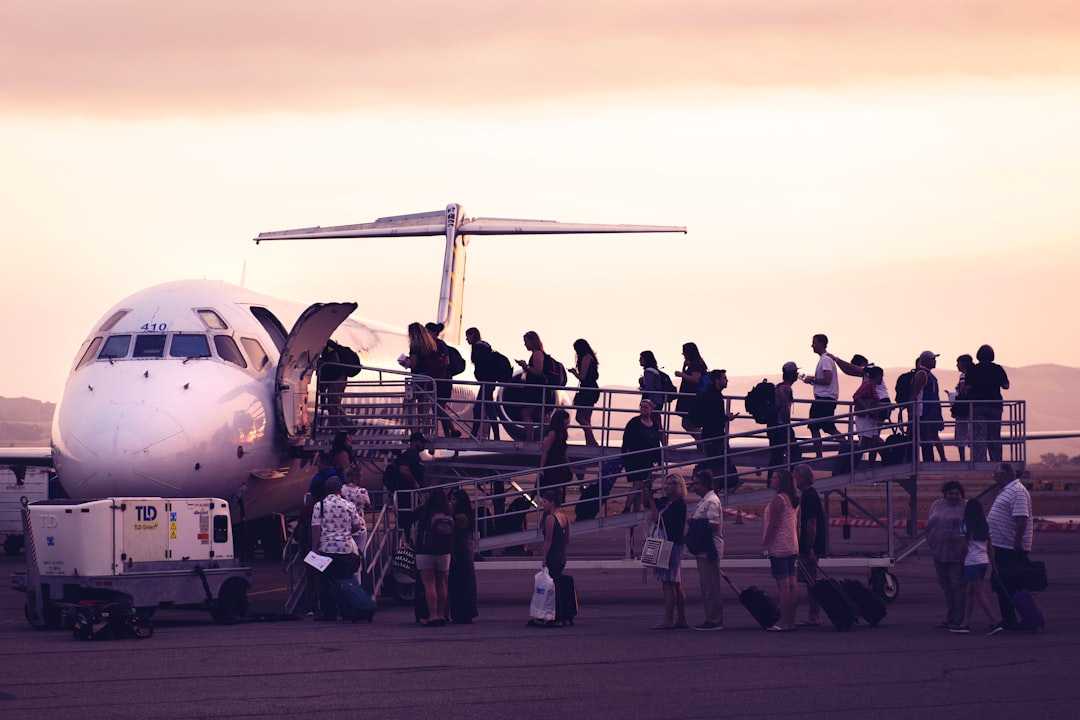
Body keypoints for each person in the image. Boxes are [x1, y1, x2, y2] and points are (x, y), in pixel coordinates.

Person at [986, 463, 1032, 630]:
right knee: (1003, 584)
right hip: (1002, 545)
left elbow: (1021, 519)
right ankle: (1009, 617)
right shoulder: (1008, 490)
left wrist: (1017, 543)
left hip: (1010, 547)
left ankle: (1024, 618)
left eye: (995, 475)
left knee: (1013, 583)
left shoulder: (1017, 492)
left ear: (1004, 475)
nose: (994, 478)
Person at [310, 477, 362, 621]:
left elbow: (316, 528)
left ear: (326, 490)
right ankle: (346, 611)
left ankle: (329, 613)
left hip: (326, 549)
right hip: (345, 549)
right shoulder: (348, 505)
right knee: (345, 581)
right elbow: (358, 526)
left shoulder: (319, 506)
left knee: (326, 583)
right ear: (340, 489)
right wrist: (346, 533)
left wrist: (314, 547)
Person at [643, 474, 688, 629]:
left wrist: (651, 501)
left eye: (670, 484)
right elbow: (649, 506)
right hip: (673, 545)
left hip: (671, 546)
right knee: (676, 583)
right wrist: (648, 495)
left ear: (677, 486)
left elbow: (658, 520)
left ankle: (668, 619)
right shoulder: (667, 502)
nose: (666, 486)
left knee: (668, 583)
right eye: (666, 483)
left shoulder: (678, 505)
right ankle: (682, 618)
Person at [953, 498, 1003, 635]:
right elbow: (990, 547)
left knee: (979, 593)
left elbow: (963, 547)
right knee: (970, 592)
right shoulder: (985, 524)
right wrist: (994, 566)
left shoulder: (965, 525)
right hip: (983, 562)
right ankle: (965, 623)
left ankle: (994, 622)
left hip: (972, 562)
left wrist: (960, 561)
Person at [926, 480, 967, 629]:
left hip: (957, 552)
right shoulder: (937, 504)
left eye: (957, 493)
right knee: (946, 586)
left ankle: (959, 619)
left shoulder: (966, 506)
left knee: (957, 585)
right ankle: (950, 617)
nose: (954, 496)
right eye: (951, 493)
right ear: (945, 494)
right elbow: (929, 523)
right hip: (938, 551)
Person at [762, 468, 799, 632]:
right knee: (792, 585)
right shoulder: (793, 499)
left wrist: (764, 544)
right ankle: (790, 621)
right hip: (792, 545)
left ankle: (784, 622)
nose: (771, 479)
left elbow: (773, 524)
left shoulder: (778, 499)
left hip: (779, 546)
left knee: (783, 586)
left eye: (775, 477)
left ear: (782, 481)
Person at [528, 489, 571, 628]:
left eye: (545, 502)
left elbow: (548, 540)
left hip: (553, 554)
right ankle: (558, 615)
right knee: (556, 584)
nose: (542, 505)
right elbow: (568, 538)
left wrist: (544, 557)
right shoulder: (564, 517)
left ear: (552, 503)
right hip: (561, 554)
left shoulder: (550, 518)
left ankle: (554, 616)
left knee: (552, 587)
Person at [688, 468, 724, 631]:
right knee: (706, 586)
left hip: (709, 549)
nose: (694, 487)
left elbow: (713, 524)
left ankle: (715, 619)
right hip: (703, 548)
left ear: (706, 484)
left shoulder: (711, 502)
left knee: (711, 587)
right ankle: (710, 616)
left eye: (697, 484)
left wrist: (694, 523)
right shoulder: (705, 500)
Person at [689, 369, 737, 489]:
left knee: (717, 465)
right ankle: (708, 489)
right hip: (715, 435)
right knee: (717, 467)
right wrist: (727, 418)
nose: (726, 381)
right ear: (717, 380)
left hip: (710, 434)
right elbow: (715, 418)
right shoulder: (714, 397)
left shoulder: (709, 395)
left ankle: (708, 489)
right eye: (724, 378)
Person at [413, 486, 453, 627]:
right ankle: (442, 614)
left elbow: (409, 517)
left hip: (425, 551)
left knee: (429, 584)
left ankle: (433, 615)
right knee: (442, 583)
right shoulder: (447, 511)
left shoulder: (425, 511)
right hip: (444, 551)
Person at [620, 398, 667, 513]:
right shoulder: (634, 422)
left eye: (646, 407)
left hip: (647, 460)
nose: (643, 409)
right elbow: (626, 440)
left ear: (651, 409)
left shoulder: (654, 425)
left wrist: (658, 459)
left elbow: (656, 443)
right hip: (634, 459)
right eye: (641, 407)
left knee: (641, 486)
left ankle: (636, 509)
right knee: (637, 484)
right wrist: (625, 455)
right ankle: (626, 508)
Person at [967, 344, 1011, 463]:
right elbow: (1006, 386)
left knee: (979, 436)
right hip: (995, 405)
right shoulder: (997, 369)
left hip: (978, 405)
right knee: (994, 435)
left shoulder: (974, 369)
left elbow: (968, 387)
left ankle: (980, 462)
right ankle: (996, 461)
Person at [793, 463, 824, 627]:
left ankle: (814, 616)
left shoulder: (810, 496)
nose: (794, 480)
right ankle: (813, 615)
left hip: (810, 545)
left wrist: (810, 546)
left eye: (796, 477)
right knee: (809, 580)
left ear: (803, 478)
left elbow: (812, 523)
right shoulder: (807, 495)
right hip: (808, 544)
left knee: (811, 581)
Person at [802, 334, 840, 458]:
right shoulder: (826, 359)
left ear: (821, 343)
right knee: (825, 426)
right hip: (826, 398)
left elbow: (827, 379)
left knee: (816, 426)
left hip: (825, 398)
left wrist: (812, 379)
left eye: (814, 342)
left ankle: (820, 455)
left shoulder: (825, 360)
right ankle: (847, 444)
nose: (812, 345)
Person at [385, 432, 427, 538]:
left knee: (407, 522)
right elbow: (403, 470)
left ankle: (406, 543)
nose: (423, 445)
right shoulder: (409, 455)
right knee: (404, 522)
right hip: (407, 495)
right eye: (421, 442)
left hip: (412, 495)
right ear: (413, 442)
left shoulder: (415, 457)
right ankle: (401, 546)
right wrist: (414, 482)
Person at [447, 488, 479, 624]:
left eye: (453, 500)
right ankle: (463, 612)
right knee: (461, 581)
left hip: (460, 550)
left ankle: (462, 612)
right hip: (462, 549)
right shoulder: (466, 515)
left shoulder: (460, 517)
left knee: (460, 582)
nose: (451, 503)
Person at [425, 321, 462, 438]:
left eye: (427, 332)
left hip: (442, 381)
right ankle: (449, 433)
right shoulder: (433, 345)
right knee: (439, 409)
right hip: (439, 381)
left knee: (439, 408)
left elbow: (446, 362)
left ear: (434, 333)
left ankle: (452, 430)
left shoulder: (440, 345)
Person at [466, 327, 503, 440]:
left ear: (473, 335)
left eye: (468, 336)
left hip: (486, 382)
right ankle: (491, 435)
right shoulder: (485, 347)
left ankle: (477, 435)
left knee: (483, 409)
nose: (466, 339)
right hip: (489, 382)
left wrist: (480, 376)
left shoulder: (477, 348)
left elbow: (482, 367)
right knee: (484, 408)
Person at [910, 350, 947, 462]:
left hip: (928, 411)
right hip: (922, 412)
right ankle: (928, 461)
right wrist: (912, 410)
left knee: (927, 437)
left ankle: (929, 460)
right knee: (925, 438)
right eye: (932, 359)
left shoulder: (927, 374)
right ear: (925, 360)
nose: (934, 361)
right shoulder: (922, 374)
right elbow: (915, 392)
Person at [767, 362, 800, 477]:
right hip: (781, 427)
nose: (797, 374)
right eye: (796, 372)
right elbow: (785, 409)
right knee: (795, 453)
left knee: (776, 457)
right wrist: (788, 426)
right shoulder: (786, 389)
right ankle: (790, 480)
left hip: (773, 426)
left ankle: (772, 482)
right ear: (791, 374)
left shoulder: (778, 386)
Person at [516, 330, 549, 442]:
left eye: (526, 341)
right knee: (541, 415)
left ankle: (529, 440)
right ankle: (553, 437)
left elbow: (538, 371)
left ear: (532, 341)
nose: (525, 344)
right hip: (538, 390)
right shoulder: (538, 353)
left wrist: (526, 366)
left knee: (525, 413)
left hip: (536, 391)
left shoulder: (537, 354)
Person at [568, 339, 600, 447]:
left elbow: (582, 377)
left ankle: (593, 441)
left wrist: (573, 372)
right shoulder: (590, 358)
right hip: (592, 390)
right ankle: (590, 443)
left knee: (580, 417)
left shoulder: (586, 358)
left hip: (587, 390)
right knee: (586, 418)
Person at [674, 342, 707, 437]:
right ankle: (701, 444)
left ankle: (702, 442)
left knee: (689, 423)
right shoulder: (697, 363)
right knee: (688, 423)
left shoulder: (696, 364)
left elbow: (695, 379)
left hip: (692, 399)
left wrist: (681, 374)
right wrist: (684, 367)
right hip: (692, 398)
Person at [539, 409, 572, 503]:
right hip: (552, 465)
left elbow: (564, 450)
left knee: (559, 493)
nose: (568, 423)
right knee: (552, 494)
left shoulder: (563, 433)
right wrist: (541, 467)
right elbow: (545, 451)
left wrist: (568, 464)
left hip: (560, 465)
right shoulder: (552, 433)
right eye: (567, 420)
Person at [341, 464, 370, 558]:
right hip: (360, 526)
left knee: (346, 555)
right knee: (358, 556)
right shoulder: (363, 491)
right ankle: (358, 572)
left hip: (345, 526)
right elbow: (368, 505)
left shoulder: (342, 490)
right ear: (357, 478)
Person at [952, 354, 974, 462]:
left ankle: (962, 459)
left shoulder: (963, 376)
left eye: (958, 363)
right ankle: (974, 457)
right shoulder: (973, 374)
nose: (957, 365)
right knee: (972, 432)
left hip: (963, 408)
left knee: (961, 431)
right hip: (972, 407)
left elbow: (962, 391)